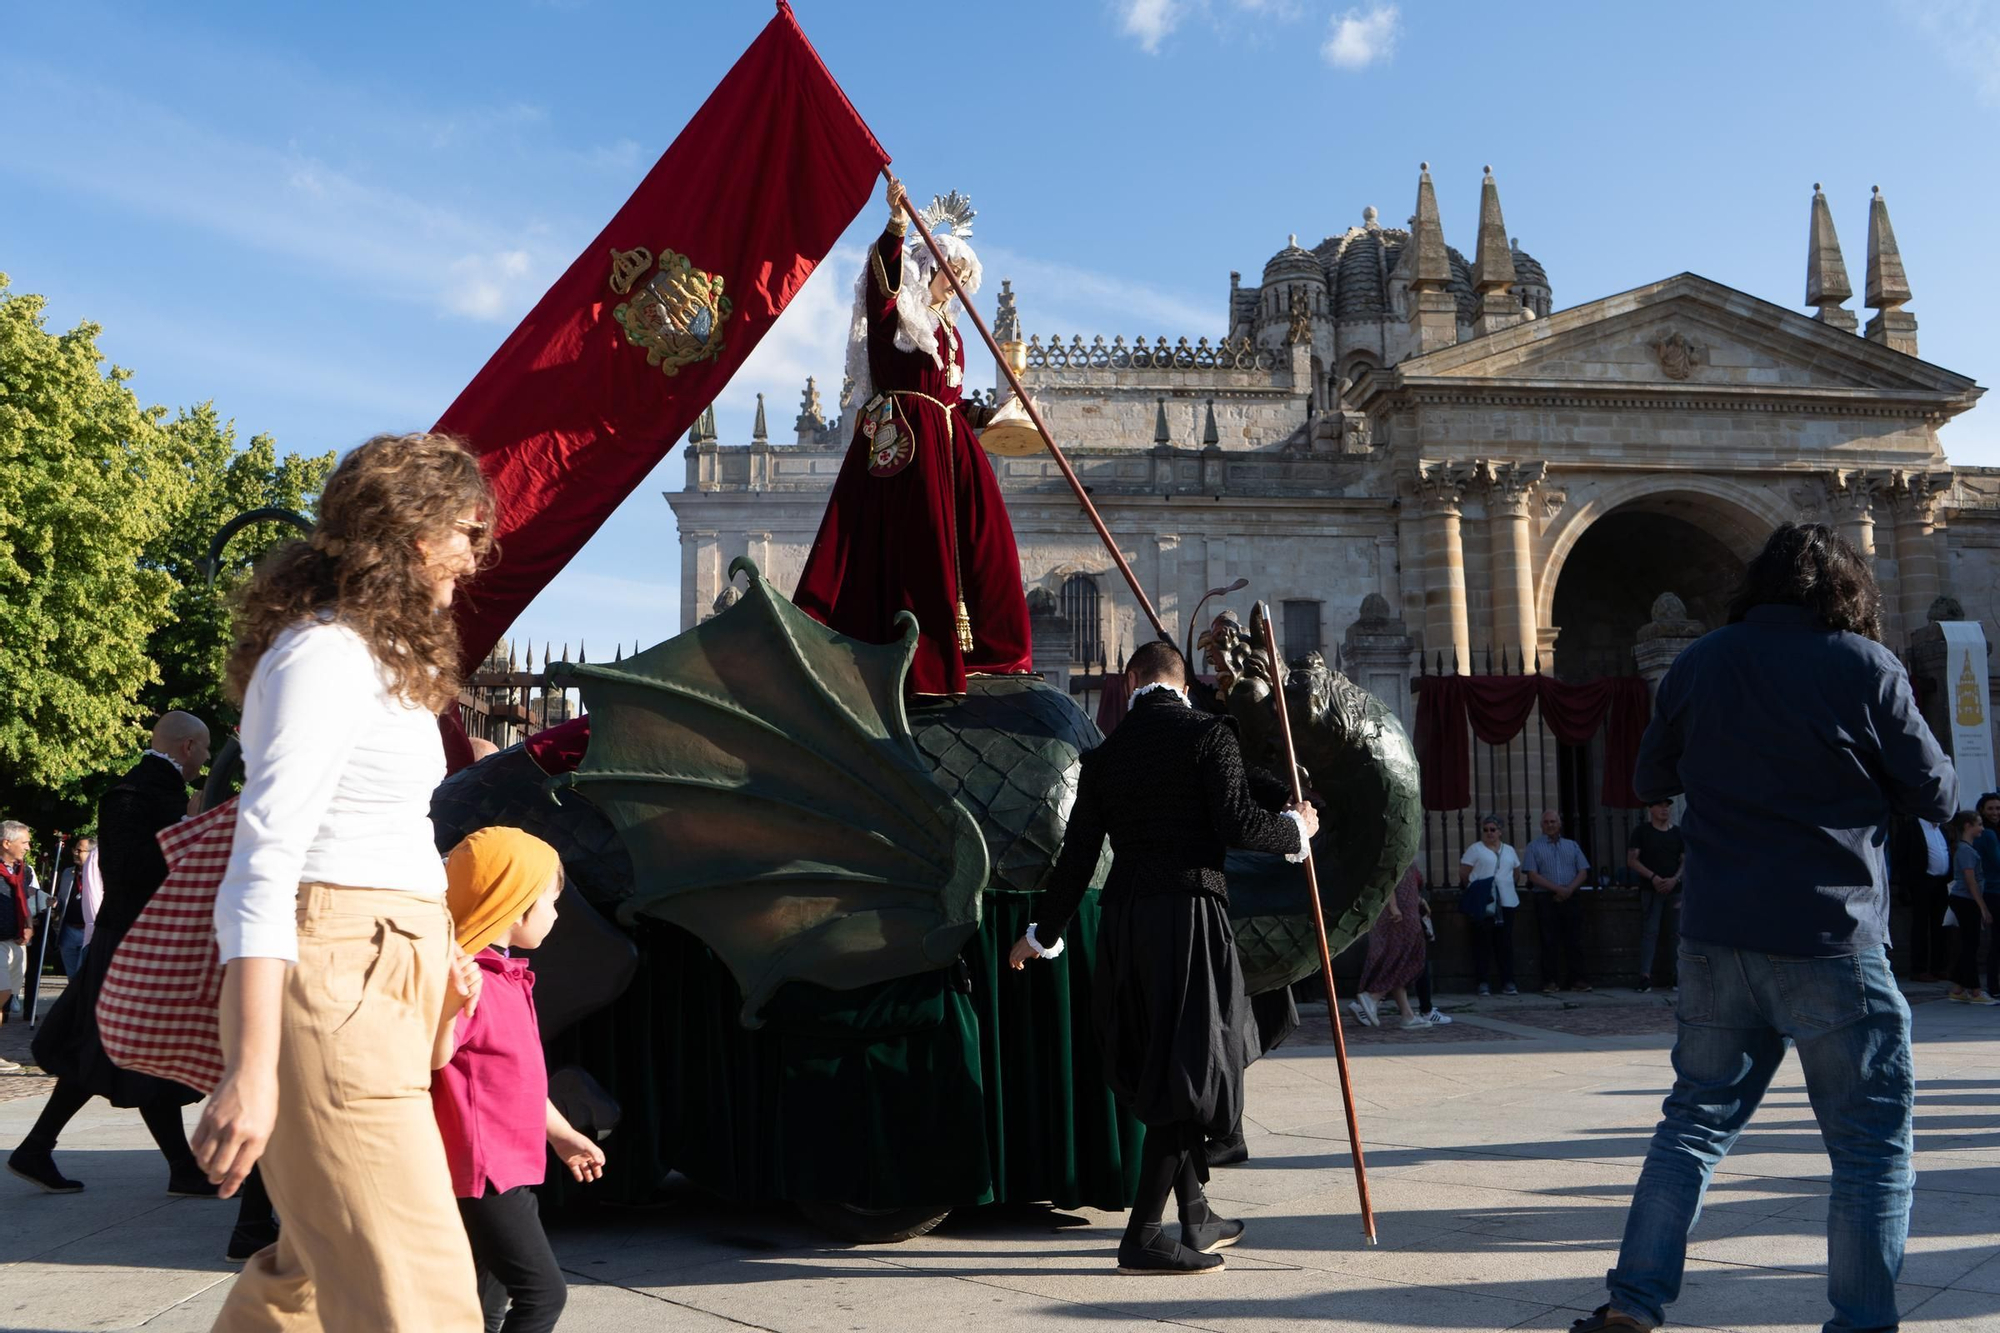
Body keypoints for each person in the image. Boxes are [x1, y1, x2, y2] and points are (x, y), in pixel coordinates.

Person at [1575, 523, 1955, 1333]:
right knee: (1869, 1149)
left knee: (1693, 1123)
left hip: (1717, 933)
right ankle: (1861, 1322)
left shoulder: (1699, 662)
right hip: (1831, 933)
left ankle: (1632, 1304)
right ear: (1848, 589)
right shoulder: (1864, 665)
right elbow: (1939, 794)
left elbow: (1648, 776)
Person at [194, 432, 494, 1331]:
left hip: (369, 980)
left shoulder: (369, 658)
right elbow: (263, 857)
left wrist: (433, 959)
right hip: (332, 982)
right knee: (421, 1295)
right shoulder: (323, 655)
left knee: (311, 1281)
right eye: (467, 533)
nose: (476, 559)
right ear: (412, 533)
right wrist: (249, 1069)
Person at [1006, 640, 1317, 1275]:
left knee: (1171, 1062)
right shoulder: (1208, 735)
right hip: (1187, 915)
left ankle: (1195, 1213)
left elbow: (1076, 860)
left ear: (1132, 680)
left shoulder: (1104, 757)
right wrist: (1297, 832)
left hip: (1124, 925)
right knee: (1190, 1073)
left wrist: (1039, 934)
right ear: (1181, 682)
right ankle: (1144, 1235)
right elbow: (1236, 823)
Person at [791, 174, 1033, 698]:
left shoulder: (950, 331)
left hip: (950, 443)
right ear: (932, 266)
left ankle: (991, 653)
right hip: (909, 442)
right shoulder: (900, 318)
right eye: (954, 272)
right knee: (919, 546)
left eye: (966, 276)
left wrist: (985, 414)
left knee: (986, 542)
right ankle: (921, 659)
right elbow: (883, 289)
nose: (960, 284)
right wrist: (897, 224)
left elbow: (948, 394)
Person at [9, 716, 216, 1194]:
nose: (206, 760)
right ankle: (41, 1147)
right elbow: (132, 871)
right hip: (135, 943)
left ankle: (41, 1148)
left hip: (132, 940)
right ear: (187, 746)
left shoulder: (144, 792)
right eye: (204, 750)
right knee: (121, 1051)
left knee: (126, 1053)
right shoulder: (139, 794)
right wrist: (193, 829)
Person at [434, 828, 606, 1333]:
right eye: (552, 902)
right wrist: (448, 1008)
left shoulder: (507, 975)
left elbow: (521, 1080)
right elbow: (432, 1056)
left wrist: (562, 1134)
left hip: (505, 1168)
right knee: (543, 1296)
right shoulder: (472, 978)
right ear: (515, 907)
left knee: (483, 1308)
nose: (557, 914)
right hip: (484, 1174)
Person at [1350, 864, 1430, 1029]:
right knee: (1409, 957)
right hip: (1400, 914)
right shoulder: (1399, 844)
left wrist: (1419, 900)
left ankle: (1407, 1014)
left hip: (1406, 908)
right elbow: (1387, 876)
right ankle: (1373, 996)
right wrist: (1393, 906)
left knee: (1397, 960)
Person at [1523, 808, 1593, 993]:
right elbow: (1532, 875)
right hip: (1546, 897)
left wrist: (1569, 889)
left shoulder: (1572, 846)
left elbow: (1583, 871)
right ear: (1541, 825)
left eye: (1553, 822)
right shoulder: (1534, 847)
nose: (1550, 825)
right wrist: (1558, 889)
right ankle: (1550, 981)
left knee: (1574, 940)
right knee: (1548, 941)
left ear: (1559, 823)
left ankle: (1577, 979)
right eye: (1546, 822)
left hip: (1571, 896)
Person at [1458, 816, 1521, 996]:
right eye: (1486, 830)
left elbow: (1516, 872)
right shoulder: (1475, 849)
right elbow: (1464, 872)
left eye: (1493, 829)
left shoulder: (1509, 850)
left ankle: (1508, 981)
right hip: (1484, 901)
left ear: (1500, 831)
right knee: (1481, 943)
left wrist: (1507, 885)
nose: (1489, 833)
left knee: (1505, 943)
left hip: (1506, 901)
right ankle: (1482, 981)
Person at [1627, 801, 1684, 993]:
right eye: (1660, 805)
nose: (1665, 809)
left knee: (1676, 934)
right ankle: (1645, 976)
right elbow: (1632, 860)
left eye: (1667, 805)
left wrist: (1674, 879)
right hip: (1651, 890)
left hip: (1674, 890)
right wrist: (1653, 877)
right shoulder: (1642, 832)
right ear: (1650, 809)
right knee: (1650, 933)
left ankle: (1677, 975)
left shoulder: (1677, 833)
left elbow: (1685, 860)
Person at [1945, 811, 1998, 1006]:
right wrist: (1982, 907)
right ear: (1968, 826)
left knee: (1970, 944)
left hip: (1966, 900)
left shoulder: (1967, 848)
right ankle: (1975, 991)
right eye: (1979, 824)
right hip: (1966, 901)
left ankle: (1958, 988)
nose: (1982, 828)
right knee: (1970, 945)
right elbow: (1970, 881)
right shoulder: (1966, 850)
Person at [1889, 815, 1951, 982]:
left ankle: (1939, 966)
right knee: (1920, 927)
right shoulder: (1911, 827)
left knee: (1940, 926)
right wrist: (1904, 884)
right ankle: (1919, 969)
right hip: (1921, 883)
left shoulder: (1941, 828)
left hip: (1941, 883)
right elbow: (1901, 856)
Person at [0, 820, 37, 1031]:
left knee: (6, 996)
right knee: (2, 991)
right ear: (6, 843)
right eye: (24, 842)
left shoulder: (23, 871)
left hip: (17, 940)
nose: (27, 847)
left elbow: (24, 901)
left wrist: (29, 924)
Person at [52, 836, 94, 978]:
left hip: (88, 931)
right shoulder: (67, 873)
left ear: (91, 853)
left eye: (79, 850)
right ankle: (75, 1001)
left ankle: (83, 1001)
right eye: (74, 850)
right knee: (72, 977)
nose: (75, 853)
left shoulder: (98, 875)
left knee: (83, 976)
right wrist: (55, 904)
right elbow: (61, 899)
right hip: (68, 931)